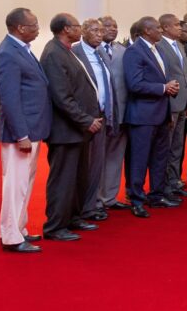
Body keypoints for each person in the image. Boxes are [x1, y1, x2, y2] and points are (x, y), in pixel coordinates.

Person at [0, 7, 51, 253]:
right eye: (34, 25)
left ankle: (19, 228)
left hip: (32, 128)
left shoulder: (21, 50)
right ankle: (11, 237)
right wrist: (21, 135)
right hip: (21, 132)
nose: (38, 30)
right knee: (15, 186)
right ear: (20, 28)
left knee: (24, 183)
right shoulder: (7, 53)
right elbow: (9, 99)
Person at [40, 13, 102, 241]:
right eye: (77, 26)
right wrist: (86, 120)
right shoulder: (54, 54)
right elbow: (62, 97)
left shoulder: (66, 51)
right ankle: (55, 226)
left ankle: (73, 217)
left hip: (78, 130)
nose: (80, 30)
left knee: (78, 178)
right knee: (63, 180)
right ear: (66, 29)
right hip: (66, 131)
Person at [124, 16, 181, 218]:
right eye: (158, 28)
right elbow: (135, 84)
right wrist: (163, 88)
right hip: (142, 116)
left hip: (160, 113)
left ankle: (156, 195)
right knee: (139, 160)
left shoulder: (156, 49)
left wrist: (169, 87)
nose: (161, 31)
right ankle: (137, 199)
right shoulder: (134, 52)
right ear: (147, 31)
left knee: (159, 158)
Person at [71, 18, 115, 222]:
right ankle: (80, 209)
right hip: (84, 120)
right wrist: (85, 117)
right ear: (84, 32)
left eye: (101, 30)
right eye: (95, 30)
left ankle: (91, 206)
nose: (100, 34)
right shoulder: (75, 52)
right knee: (83, 168)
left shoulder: (102, 53)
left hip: (103, 116)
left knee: (96, 166)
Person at [156, 14, 187, 199]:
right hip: (170, 105)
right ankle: (163, 185)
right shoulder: (159, 46)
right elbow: (164, 77)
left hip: (182, 103)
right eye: (177, 25)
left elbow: (185, 76)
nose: (181, 28)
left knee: (178, 146)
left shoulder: (179, 45)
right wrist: (167, 107)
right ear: (165, 27)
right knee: (167, 147)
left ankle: (174, 181)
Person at [97, 15, 131, 210]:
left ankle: (110, 197)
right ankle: (96, 199)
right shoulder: (90, 51)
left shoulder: (123, 51)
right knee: (98, 159)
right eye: (108, 26)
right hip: (101, 115)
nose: (112, 29)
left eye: (115, 26)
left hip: (121, 114)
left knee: (115, 157)